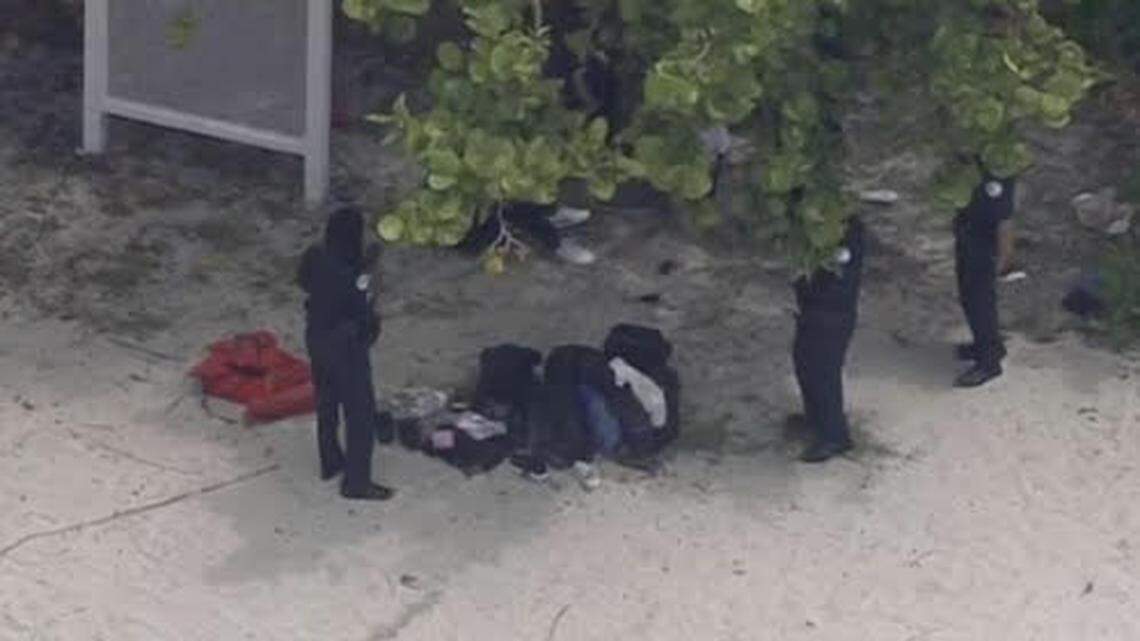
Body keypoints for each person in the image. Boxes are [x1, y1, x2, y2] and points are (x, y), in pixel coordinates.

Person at [297, 206, 394, 501]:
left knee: (326, 403)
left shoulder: (315, 256)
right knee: (360, 415)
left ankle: (330, 460)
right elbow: (363, 311)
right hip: (347, 348)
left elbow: (304, 282)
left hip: (316, 338)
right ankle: (357, 481)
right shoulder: (355, 275)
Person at [792, 215, 865, 463]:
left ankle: (835, 435)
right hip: (816, 305)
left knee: (822, 369)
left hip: (830, 311)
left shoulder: (843, 233)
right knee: (805, 361)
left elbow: (836, 278)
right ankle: (816, 418)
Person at [953, 171, 1016, 388]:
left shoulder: (997, 164)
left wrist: (1005, 254)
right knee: (969, 292)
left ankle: (989, 361)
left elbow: (1003, 214)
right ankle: (987, 346)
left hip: (984, 232)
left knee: (979, 296)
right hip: (971, 220)